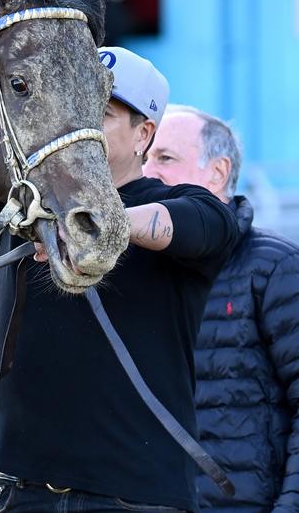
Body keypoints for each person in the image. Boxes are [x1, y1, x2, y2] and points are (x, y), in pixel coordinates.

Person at [0, 46, 239, 512]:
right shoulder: (23, 199)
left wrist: (86, 224)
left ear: (144, 133)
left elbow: (199, 223)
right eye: (68, 106)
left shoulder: (189, 205)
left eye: (99, 113)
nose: (75, 126)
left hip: (132, 496)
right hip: (19, 489)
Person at [144, 105, 299, 511]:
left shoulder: (274, 267)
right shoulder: (134, 271)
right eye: (144, 158)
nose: (147, 171)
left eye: (165, 158)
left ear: (217, 172)